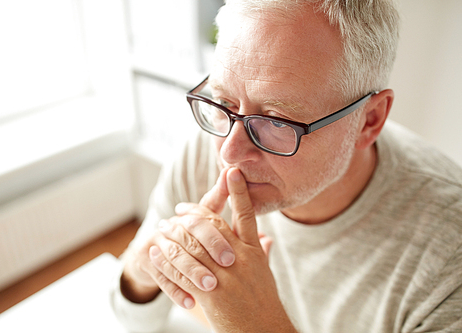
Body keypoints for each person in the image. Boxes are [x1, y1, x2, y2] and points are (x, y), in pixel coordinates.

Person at [110, 0, 462, 332]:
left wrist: (256, 324)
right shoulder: (209, 141)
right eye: (223, 100)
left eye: (277, 121)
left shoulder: (449, 256)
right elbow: (131, 319)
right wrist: (144, 269)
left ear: (369, 120)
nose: (229, 153)